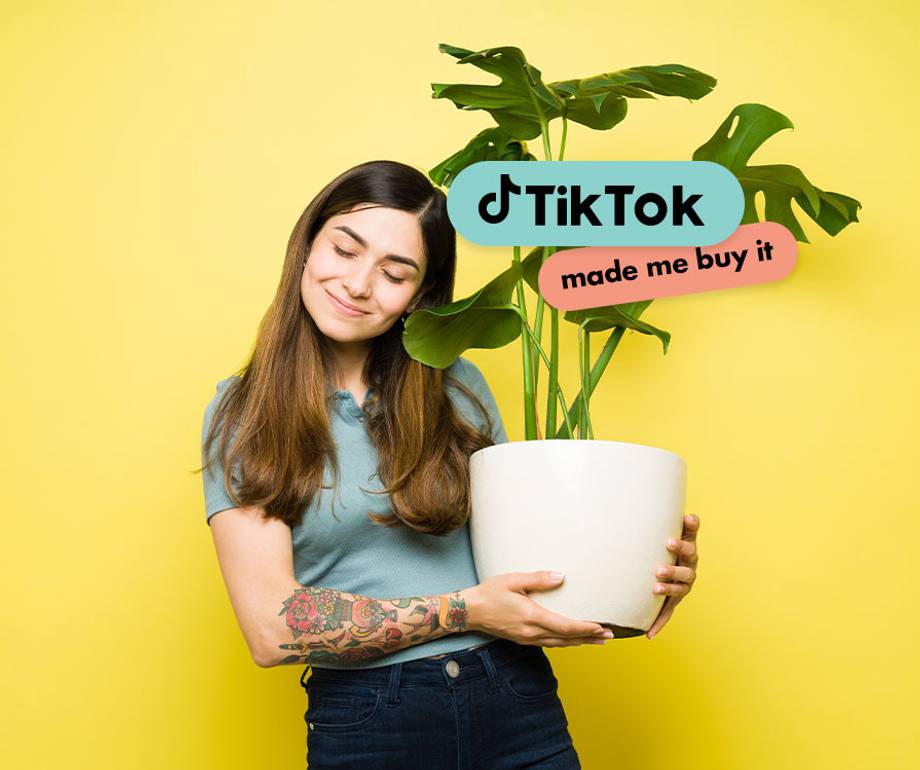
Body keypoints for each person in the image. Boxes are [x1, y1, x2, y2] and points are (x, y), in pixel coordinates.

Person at [197, 159, 700, 769]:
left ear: (420, 295)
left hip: (516, 697)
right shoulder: (244, 412)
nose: (359, 285)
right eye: (345, 249)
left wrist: (638, 573)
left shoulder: (458, 387)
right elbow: (272, 628)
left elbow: (529, 565)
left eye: (395, 273)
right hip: (370, 723)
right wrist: (465, 609)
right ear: (307, 245)